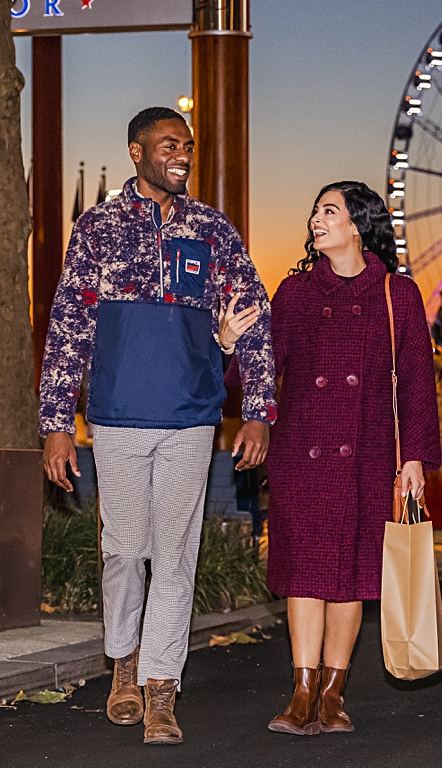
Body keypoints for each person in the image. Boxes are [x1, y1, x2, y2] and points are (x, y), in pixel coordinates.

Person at [40, 107, 276, 747]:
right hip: (115, 420)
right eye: (169, 144)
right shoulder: (98, 228)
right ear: (136, 150)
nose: (182, 154)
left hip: (190, 422)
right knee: (124, 551)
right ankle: (123, 665)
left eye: (188, 146)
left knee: (176, 555)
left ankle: (160, 691)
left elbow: (251, 317)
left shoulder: (213, 230)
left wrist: (258, 408)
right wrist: (57, 422)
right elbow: (69, 326)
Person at [262, 181, 439, 736]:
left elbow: (415, 382)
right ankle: (301, 691)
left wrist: (414, 458)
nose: (317, 219)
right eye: (315, 210)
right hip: (302, 453)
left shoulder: (398, 294)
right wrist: (226, 348)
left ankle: (334, 693)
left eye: (330, 211)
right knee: (305, 575)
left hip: (368, 456)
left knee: (353, 576)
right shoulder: (293, 293)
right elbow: (263, 369)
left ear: (358, 225)